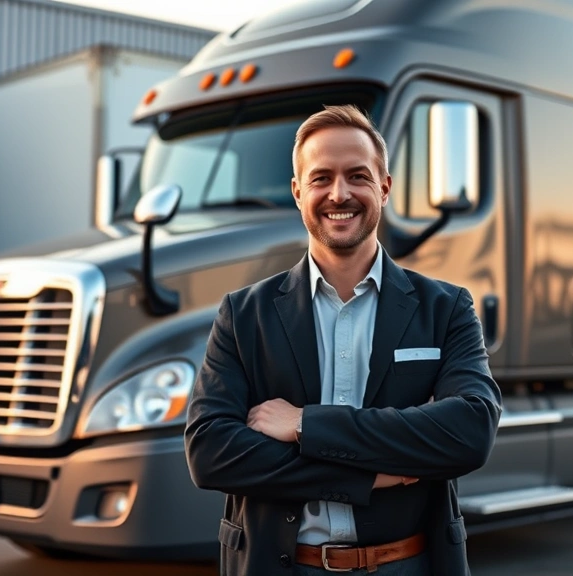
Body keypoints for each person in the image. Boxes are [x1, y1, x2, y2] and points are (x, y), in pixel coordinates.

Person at [185, 104, 502, 575]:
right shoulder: (244, 314)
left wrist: (304, 425)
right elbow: (211, 452)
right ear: (298, 192)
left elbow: (470, 432)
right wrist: (373, 476)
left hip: (408, 565)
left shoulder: (446, 308)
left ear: (384, 188)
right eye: (321, 178)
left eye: (357, 176)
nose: (339, 194)